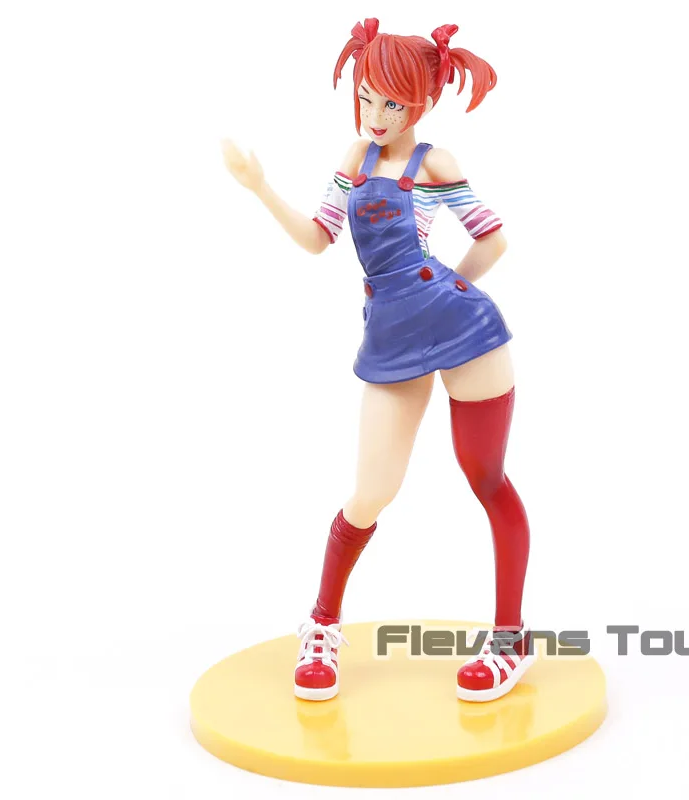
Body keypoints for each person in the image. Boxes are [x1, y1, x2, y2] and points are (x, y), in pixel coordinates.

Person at [222, 18, 533, 703]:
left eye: (394, 102)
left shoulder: (436, 164)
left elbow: (493, 241)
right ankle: (322, 624)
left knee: (486, 478)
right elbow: (318, 238)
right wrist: (259, 187)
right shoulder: (355, 158)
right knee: (370, 494)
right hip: (392, 339)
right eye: (367, 97)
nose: (377, 114)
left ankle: (511, 638)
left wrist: (444, 293)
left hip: (468, 332)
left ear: (422, 102)